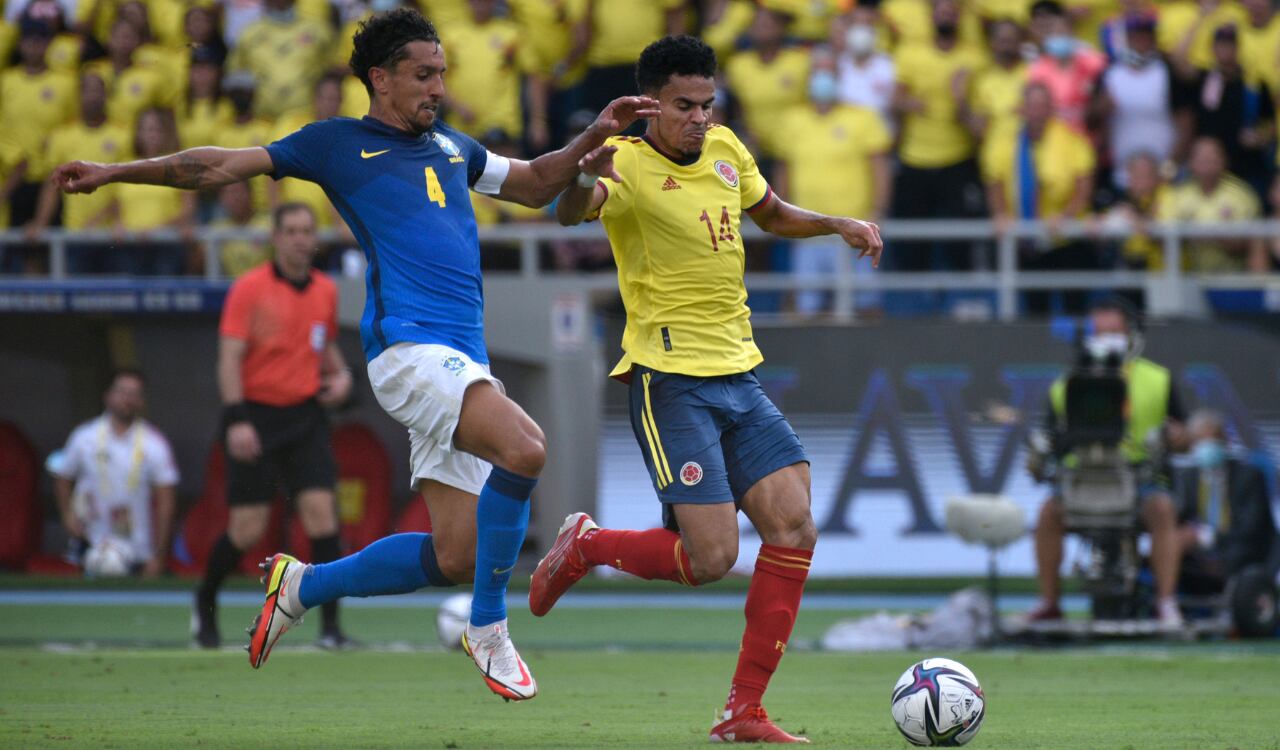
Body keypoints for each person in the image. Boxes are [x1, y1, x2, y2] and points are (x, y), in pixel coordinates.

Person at [53, 7, 657, 701]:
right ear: (381, 79)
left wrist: (592, 136)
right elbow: (216, 164)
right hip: (409, 349)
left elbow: (536, 183)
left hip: (463, 362)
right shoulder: (337, 144)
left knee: (457, 555)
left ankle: (305, 584)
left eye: (442, 75)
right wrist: (113, 172)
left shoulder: (455, 149)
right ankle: (488, 627)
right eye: (423, 76)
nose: (438, 88)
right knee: (525, 448)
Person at [543, 36, 882, 743]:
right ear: (649, 107)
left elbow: (772, 213)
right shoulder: (628, 165)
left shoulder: (728, 149)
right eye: (683, 106)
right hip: (668, 380)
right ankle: (587, 544)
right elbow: (572, 213)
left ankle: (743, 712)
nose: (698, 118)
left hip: (738, 373)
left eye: (706, 104)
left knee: (794, 524)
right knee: (712, 560)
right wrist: (582, 176)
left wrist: (836, 224)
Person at [194, 202, 351, 649]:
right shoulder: (248, 289)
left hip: (305, 417)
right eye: (292, 231)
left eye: (307, 230)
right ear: (276, 238)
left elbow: (324, 351)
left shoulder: (325, 290)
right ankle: (204, 601)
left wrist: (342, 379)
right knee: (246, 528)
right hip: (256, 417)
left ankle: (332, 628)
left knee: (323, 520)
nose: (301, 238)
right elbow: (229, 360)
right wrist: (237, 420)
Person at [1028, 298, 1187, 628]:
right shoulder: (1067, 385)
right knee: (1047, 514)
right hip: (1083, 480)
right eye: (1099, 331)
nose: (1106, 338)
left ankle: (1166, 602)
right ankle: (1049, 602)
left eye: (1113, 331)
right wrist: (1039, 455)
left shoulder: (1157, 379)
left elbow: (1182, 431)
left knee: (1162, 509)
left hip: (1137, 478)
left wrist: (1171, 437)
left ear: (1131, 333)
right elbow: (1050, 438)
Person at [777, 48, 891, 316]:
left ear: (839, 77)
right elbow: (783, 170)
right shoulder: (792, 120)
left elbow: (880, 167)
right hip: (807, 230)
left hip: (856, 228)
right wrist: (781, 215)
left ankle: (873, 359)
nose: (823, 78)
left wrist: (879, 210)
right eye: (818, 72)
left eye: (830, 72)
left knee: (867, 306)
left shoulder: (863, 117)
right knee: (807, 309)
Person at [50, 369, 178, 577]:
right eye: (122, 391)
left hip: (138, 548)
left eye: (134, 393)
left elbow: (166, 501)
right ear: (107, 395)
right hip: (91, 542)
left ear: (142, 401)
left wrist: (160, 555)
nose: (127, 398)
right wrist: (67, 515)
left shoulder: (155, 443)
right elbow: (63, 478)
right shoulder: (84, 437)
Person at [1174, 409, 1277, 596]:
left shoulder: (1249, 476)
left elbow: (1252, 530)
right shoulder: (1187, 478)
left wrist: (1209, 538)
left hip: (1244, 557)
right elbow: (1181, 516)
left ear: (1224, 441)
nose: (1206, 447)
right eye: (1200, 441)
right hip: (1199, 562)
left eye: (1211, 439)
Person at [1157, 136, 1265, 273]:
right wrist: (1217, 234)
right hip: (1187, 280)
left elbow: (1247, 244)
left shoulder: (1242, 195)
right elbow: (1163, 239)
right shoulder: (1177, 195)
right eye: (1201, 156)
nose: (1207, 160)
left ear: (1224, 160)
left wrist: (1200, 234)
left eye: (1212, 155)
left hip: (1231, 280)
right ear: (1190, 162)